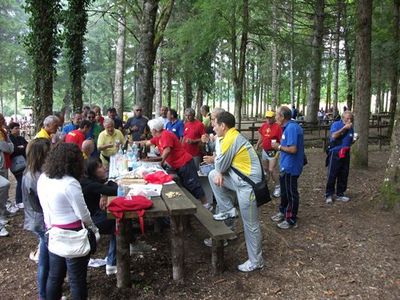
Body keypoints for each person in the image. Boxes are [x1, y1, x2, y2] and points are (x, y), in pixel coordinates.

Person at [37, 142, 99, 300]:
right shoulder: (70, 183)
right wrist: (93, 229)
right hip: (73, 234)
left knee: (54, 276)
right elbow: (83, 213)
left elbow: (44, 206)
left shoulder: (43, 178)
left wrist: (49, 227)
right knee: (76, 279)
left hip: (52, 231)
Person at [208, 112, 264, 272]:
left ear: (223, 126)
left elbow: (221, 164)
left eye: (215, 124)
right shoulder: (228, 137)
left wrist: (219, 169)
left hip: (248, 186)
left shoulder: (231, 138)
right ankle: (228, 210)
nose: (213, 126)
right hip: (239, 182)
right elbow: (218, 166)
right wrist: (218, 169)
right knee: (212, 175)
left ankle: (256, 261)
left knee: (251, 225)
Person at [142, 118, 211, 210]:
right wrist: (137, 144)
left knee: (193, 184)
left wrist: (160, 163)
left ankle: (206, 204)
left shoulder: (165, 135)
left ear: (154, 130)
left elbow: (167, 150)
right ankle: (193, 205)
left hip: (184, 163)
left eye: (151, 130)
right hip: (178, 164)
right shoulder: (158, 136)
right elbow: (148, 142)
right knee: (185, 186)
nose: (150, 131)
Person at [22, 138, 51, 299]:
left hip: (38, 219)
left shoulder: (34, 172)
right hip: (40, 221)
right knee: (45, 261)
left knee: (46, 258)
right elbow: (43, 202)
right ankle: (44, 295)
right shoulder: (35, 176)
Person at [80, 157, 118, 275]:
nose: (105, 168)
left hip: (88, 218)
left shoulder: (88, 181)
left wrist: (103, 193)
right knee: (119, 221)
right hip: (88, 223)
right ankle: (112, 262)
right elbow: (116, 190)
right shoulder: (90, 184)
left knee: (116, 218)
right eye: (100, 167)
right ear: (93, 171)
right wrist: (107, 188)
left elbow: (105, 188)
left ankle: (125, 248)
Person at [271, 106, 305, 229]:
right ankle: (283, 211)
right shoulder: (287, 127)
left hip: (291, 167)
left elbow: (293, 149)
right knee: (285, 192)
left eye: (276, 115)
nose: (275, 118)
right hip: (286, 166)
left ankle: (290, 218)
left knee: (291, 193)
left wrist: (278, 147)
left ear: (282, 116)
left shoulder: (292, 128)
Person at [325, 111, 357, 204]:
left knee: (344, 174)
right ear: (343, 118)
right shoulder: (336, 124)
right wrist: (344, 128)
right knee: (332, 174)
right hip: (335, 152)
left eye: (351, 119)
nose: (349, 120)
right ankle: (329, 194)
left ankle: (340, 193)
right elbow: (334, 136)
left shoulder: (351, 128)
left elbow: (349, 141)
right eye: (347, 118)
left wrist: (354, 140)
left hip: (346, 152)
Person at [255, 111, 282, 198]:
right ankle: (265, 188)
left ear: (274, 117)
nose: (268, 119)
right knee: (265, 169)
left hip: (273, 151)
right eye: (267, 117)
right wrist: (257, 145)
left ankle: (278, 187)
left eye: (270, 117)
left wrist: (279, 149)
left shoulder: (278, 127)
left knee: (272, 169)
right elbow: (262, 136)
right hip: (264, 150)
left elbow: (281, 140)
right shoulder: (264, 125)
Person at [9, 122, 28, 209]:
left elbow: (27, 146)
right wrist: (20, 148)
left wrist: (21, 147)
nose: (18, 130)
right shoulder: (9, 138)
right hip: (15, 163)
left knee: (23, 180)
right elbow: (13, 150)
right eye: (16, 128)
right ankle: (19, 200)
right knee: (20, 180)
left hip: (24, 162)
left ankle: (22, 199)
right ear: (11, 129)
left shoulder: (20, 138)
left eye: (18, 128)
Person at [0, 113, 15, 222]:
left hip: (4, 163)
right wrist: (9, 145)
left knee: (5, 188)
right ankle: (1, 214)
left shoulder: (3, 132)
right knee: (3, 187)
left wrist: (9, 145)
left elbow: (10, 146)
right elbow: (7, 147)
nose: (4, 121)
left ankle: (3, 210)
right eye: (1, 119)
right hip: (1, 164)